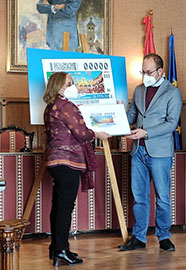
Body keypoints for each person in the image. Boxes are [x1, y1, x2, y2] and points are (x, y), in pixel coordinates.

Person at [43, 72, 110, 266]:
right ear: (60, 86)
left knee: (58, 207)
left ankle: (56, 248)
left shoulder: (51, 106)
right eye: (70, 83)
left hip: (54, 161)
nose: (74, 87)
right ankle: (62, 250)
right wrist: (97, 133)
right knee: (64, 208)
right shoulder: (65, 106)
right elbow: (82, 133)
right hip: (68, 162)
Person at [119, 53, 182, 252]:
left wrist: (146, 133)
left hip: (160, 152)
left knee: (162, 197)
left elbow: (172, 123)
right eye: (142, 72)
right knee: (140, 197)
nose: (145, 75)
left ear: (160, 71)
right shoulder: (138, 90)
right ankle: (139, 237)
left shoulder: (172, 93)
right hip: (138, 151)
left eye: (149, 72)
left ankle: (164, 236)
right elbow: (132, 115)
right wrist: (114, 114)